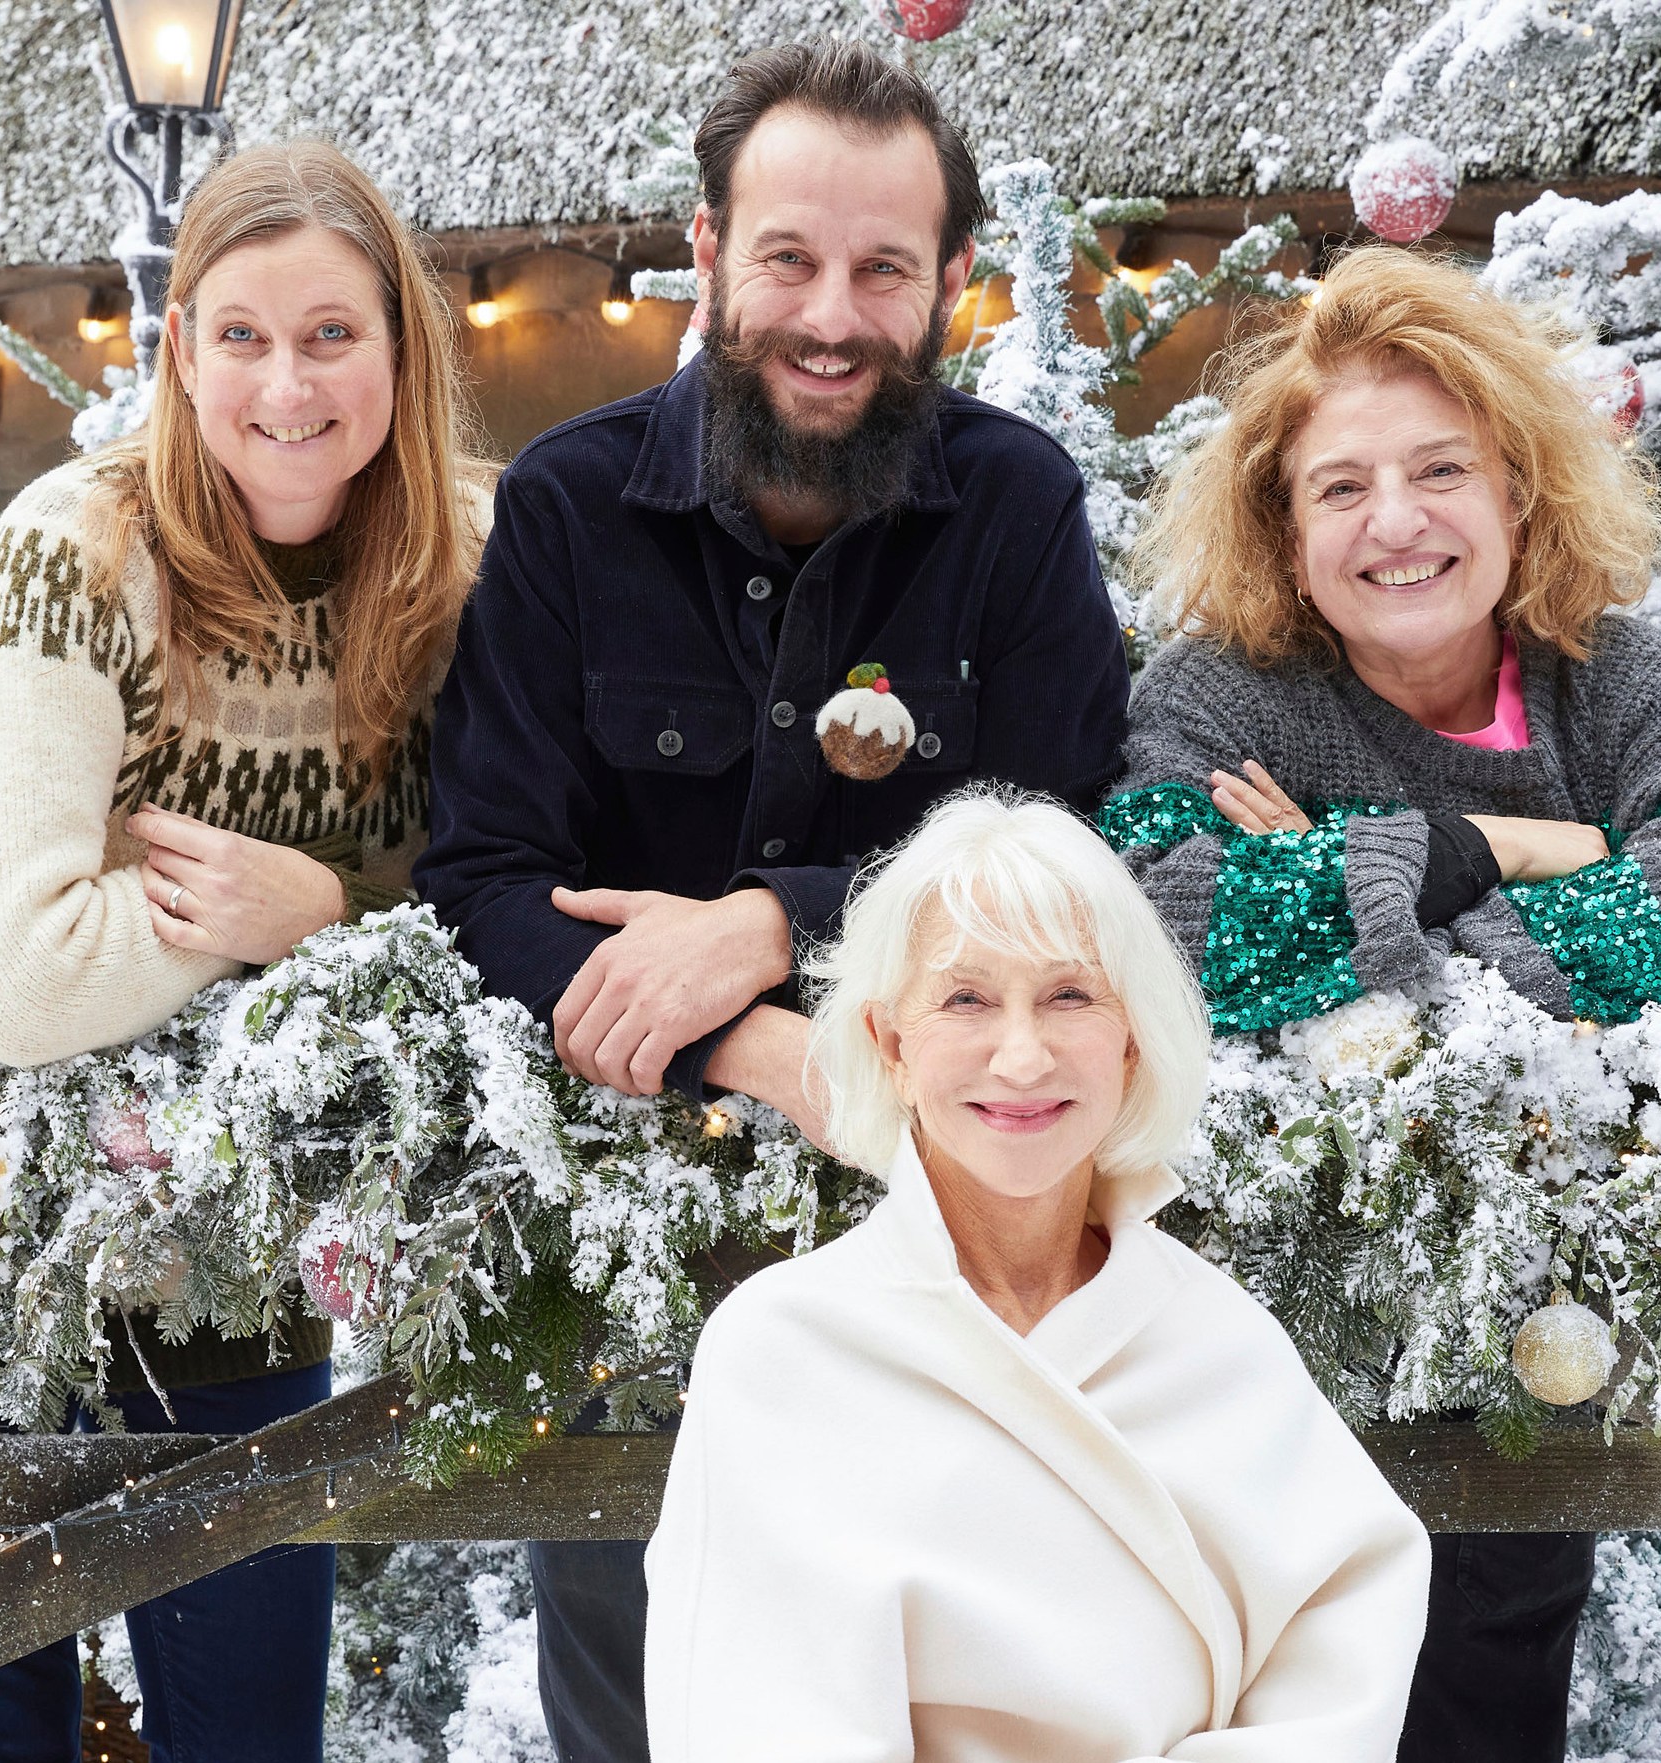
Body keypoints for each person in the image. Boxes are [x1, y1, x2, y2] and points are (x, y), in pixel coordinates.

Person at [413, 42, 1129, 1762]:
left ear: (949, 280)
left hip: (952, 1236)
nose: (831, 314)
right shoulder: (573, 508)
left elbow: (1069, 842)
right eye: (789, 260)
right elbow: (482, 881)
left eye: (882, 269)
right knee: (639, 1686)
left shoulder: (1015, 507)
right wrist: (748, 1042)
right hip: (624, 1254)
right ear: (710, 249)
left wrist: (772, 918)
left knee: (950, 1689)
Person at [1105, 245, 1661, 1763]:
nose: (1396, 520)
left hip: (1526, 1326)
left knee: (1485, 1673)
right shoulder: (1217, 695)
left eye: (1440, 467)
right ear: (1280, 529)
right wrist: (1496, 846)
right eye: (1339, 485)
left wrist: (1340, 895)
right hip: (1258, 1332)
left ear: (1515, 489)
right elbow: (1155, 929)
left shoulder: (1615, 675)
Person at [0, 140, 490, 1762]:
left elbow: (512, 891)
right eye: (239, 335)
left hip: (245, 1241)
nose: (286, 383)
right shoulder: (81, 551)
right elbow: (16, 970)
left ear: (400, 347)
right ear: (178, 347)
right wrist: (339, 904)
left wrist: (321, 912)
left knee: (247, 1732)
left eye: (332, 333)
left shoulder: (471, 565)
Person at [644, 789, 1433, 1761]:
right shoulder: (782, 1347)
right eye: (965, 998)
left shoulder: (1219, 1339)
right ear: (891, 1044)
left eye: (1068, 996)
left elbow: (1339, 1650)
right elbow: (752, 1715)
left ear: (1129, 1038)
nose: (1020, 1055)